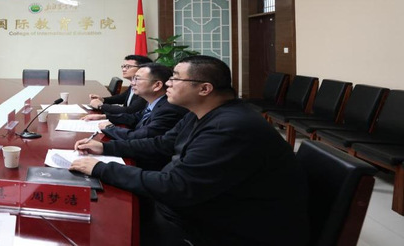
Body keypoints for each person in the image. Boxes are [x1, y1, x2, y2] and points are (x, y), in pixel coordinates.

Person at [71, 55, 309, 246]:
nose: (167, 83)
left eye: (175, 78)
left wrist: (102, 168)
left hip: (228, 229)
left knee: (105, 225)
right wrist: (105, 147)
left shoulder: (230, 128)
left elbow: (177, 187)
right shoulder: (202, 113)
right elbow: (161, 144)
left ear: (204, 88)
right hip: (201, 207)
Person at [98, 63, 187, 142]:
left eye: (137, 79)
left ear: (157, 85)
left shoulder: (169, 110)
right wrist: (105, 116)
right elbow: (136, 117)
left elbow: (138, 137)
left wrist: (109, 128)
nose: (132, 83)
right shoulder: (154, 101)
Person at [85, 55, 152, 121]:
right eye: (123, 66)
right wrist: (103, 100)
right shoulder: (134, 84)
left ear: (142, 69)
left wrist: (101, 106)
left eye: (128, 67)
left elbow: (129, 111)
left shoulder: (145, 89)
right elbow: (122, 97)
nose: (124, 69)